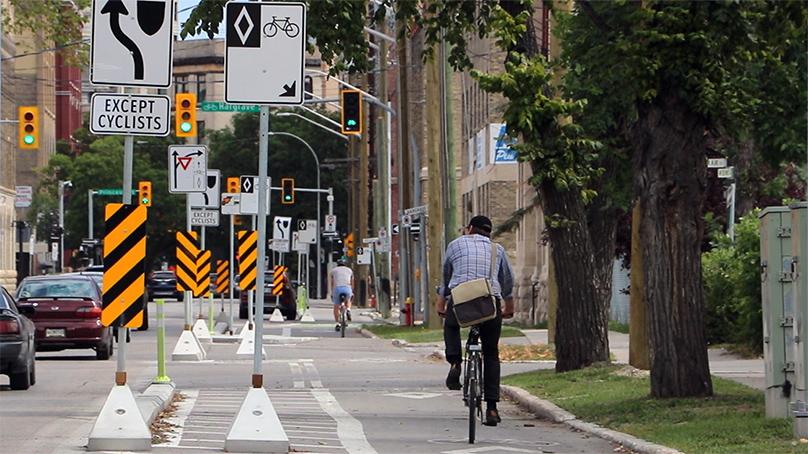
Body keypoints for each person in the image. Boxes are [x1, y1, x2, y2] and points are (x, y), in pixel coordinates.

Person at [437, 215, 514, 427]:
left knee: (451, 325)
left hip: (461, 300)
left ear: (469, 229)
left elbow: (446, 276)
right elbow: (507, 280)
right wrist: (509, 304)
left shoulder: (455, 245)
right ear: (489, 232)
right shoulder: (496, 250)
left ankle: (455, 362)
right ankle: (491, 408)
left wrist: (441, 302)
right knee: (491, 353)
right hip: (489, 302)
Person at [330, 257, 354, 331]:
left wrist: (332, 291)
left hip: (337, 289)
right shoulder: (350, 270)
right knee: (349, 299)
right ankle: (348, 310)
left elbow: (332, 282)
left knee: (336, 306)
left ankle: (337, 323)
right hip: (347, 288)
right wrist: (352, 290)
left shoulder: (333, 271)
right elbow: (352, 282)